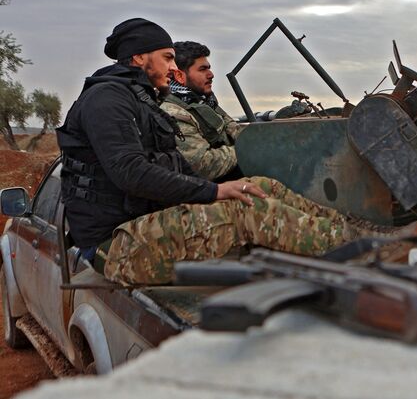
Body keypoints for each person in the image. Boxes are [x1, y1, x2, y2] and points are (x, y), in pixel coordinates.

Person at [56, 18, 355, 285]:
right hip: (116, 245)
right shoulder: (106, 99)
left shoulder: (141, 101)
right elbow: (130, 172)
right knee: (244, 211)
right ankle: (359, 252)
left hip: (144, 224)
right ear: (139, 57)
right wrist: (213, 192)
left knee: (258, 188)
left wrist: (225, 187)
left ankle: (346, 230)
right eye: (167, 58)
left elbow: (174, 164)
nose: (174, 68)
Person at [161, 41, 241, 181]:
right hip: (205, 190)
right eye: (202, 69)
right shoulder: (172, 111)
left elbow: (234, 129)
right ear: (179, 75)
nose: (211, 74)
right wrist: (247, 149)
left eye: (209, 68)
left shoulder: (203, 101)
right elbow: (201, 165)